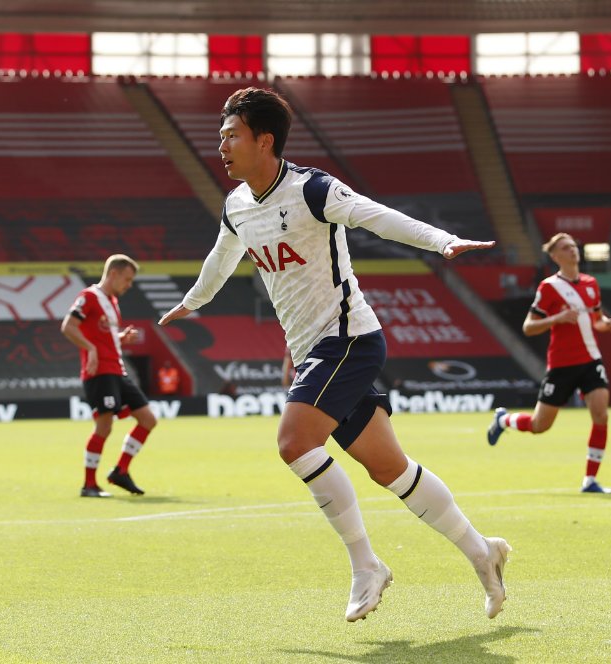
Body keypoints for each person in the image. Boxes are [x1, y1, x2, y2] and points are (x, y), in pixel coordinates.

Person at [158, 87, 508, 622]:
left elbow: (374, 216)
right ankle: (484, 552)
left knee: (294, 441)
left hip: (348, 339)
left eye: (232, 136)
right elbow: (221, 257)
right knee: (391, 469)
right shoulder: (236, 206)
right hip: (310, 349)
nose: (222, 146)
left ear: (265, 140)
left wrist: (441, 241)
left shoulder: (312, 189)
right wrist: (192, 301)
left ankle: (366, 564)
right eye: (221, 137)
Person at [487, 232, 611, 493]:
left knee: (601, 415)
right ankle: (504, 420)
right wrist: (556, 319)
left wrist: (610, 324)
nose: (572, 250)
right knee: (540, 426)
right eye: (565, 247)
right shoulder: (549, 287)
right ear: (554, 256)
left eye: (573, 246)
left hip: (591, 360)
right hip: (561, 365)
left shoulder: (591, 283)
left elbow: (597, 321)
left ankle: (590, 480)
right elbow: (529, 327)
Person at [61, 254, 157, 498]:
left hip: (117, 370)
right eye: (127, 279)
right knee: (104, 426)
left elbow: (103, 336)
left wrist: (121, 338)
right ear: (113, 273)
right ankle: (89, 484)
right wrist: (91, 349)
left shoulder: (111, 302)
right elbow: (68, 327)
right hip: (99, 372)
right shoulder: (89, 297)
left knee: (148, 420)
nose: (129, 285)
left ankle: (120, 471)